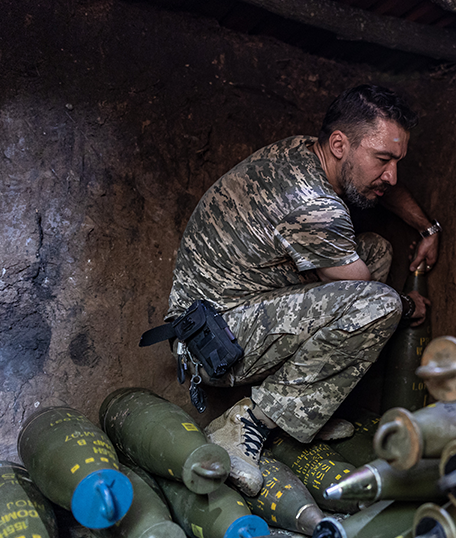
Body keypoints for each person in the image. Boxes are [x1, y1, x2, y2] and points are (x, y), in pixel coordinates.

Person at [164, 84, 440, 496]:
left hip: (230, 306)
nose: (392, 175)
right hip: (213, 341)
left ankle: (303, 405)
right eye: (382, 159)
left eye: (397, 160)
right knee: (379, 306)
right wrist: (408, 304)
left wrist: (426, 228)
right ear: (339, 143)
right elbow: (363, 293)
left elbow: (375, 189)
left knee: (375, 252)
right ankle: (249, 421)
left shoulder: (301, 151)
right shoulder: (313, 205)